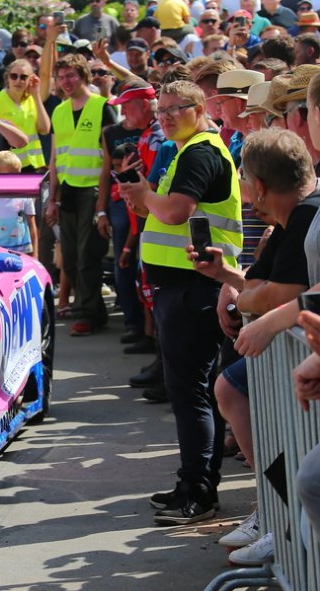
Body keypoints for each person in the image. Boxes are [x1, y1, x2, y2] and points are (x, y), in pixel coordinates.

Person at [118, 80, 243, 525]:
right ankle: (193, 483)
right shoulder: (187, 149)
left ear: (200, 108)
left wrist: (144, 197)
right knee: (194, 392)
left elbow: (174, 212)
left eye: (176, 108)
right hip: (191, 287)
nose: (166, 117)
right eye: (162, 111)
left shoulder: (200, 151)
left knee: (191, 393)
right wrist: (143, 198)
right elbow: (165, 211)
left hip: (197, 287)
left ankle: (198, 491)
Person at [188, 128, 315, 560]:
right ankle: (276, 511)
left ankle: (283, 520)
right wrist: (227, 277)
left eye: (242, 176)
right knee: (231, 389)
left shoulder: (305, 216)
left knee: (301, 454)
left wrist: (247, 299)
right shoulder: (285, 223)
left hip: (303, 364)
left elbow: (280, 295)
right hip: (291, 357)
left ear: (257, 185)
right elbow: (262, 287)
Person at [47, 53, 118, 337]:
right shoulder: (59, 110)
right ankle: (91, 311)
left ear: (83, 76)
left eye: (71, 76)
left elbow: (109, 157)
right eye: (61, 77)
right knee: (73, 257)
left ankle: (87, 313)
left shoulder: (103, 107)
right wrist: (52, 198)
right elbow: (54, 158)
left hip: (93, 189)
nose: (66, 82)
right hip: (68, 190)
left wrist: (102, 201)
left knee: (89, 255)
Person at [97, 80, 162, 351]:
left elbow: (152, 184)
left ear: (144, 105)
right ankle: (149, 339)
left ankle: (155, 346)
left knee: (152, 288)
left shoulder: (157, 138)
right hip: (143, 221)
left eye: (127, 108)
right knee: (144, 284)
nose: (123, 115)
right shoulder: (147, 134)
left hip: (152, 222)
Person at [0, 59, 50, 172]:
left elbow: (45, 129)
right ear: (7, 78)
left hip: (34, 165)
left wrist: (36, 95)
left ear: (30, 80)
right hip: (9, 167)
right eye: (14, 76)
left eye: (23, 77)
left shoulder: (32, 99)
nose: (18, 80)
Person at [0, 151, 38, 253]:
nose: (15, 178)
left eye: (18, 173)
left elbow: (32, 226)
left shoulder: (25, 196)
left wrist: (35, 254)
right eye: (10, 174)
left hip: (23, 252)